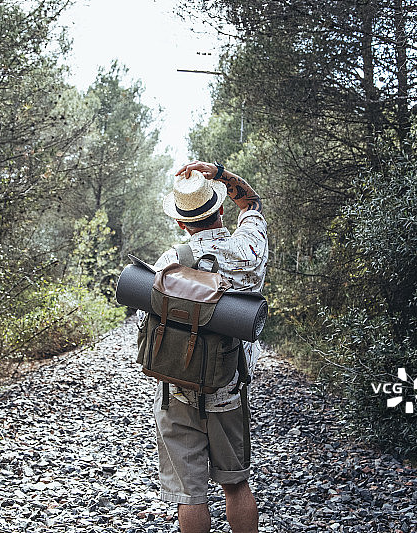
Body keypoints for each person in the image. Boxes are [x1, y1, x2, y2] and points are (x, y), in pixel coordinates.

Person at [150, 160, 268, 533]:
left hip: (178, 391)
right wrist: (220, 174)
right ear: (220, 208)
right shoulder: (248, 250)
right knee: (235, 484)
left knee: (190, 495)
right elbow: (251, 205)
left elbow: (148, 322)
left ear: (181, 223)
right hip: (228, 388)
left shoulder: (170, 262)